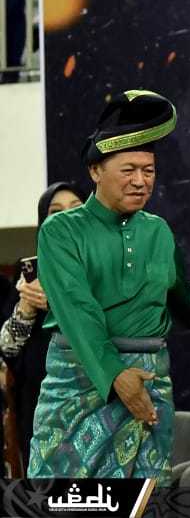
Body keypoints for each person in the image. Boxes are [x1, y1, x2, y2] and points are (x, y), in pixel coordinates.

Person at [28, 90, 190, 484]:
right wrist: (117, 375)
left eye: (148, 171)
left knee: (146, 501)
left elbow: (189, 305)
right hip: (81, 384)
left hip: (150, 386)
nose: (140, 181)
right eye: (128, 169)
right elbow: (77, 311)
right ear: (95, 171)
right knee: (62, 499)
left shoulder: (157, 231)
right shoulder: (61, 231)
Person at [0, 182, 87, 474]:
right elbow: (7, 348)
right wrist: (26, 307)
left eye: (76, 209)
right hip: (40, 400)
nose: (66, 217)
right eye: (55, 212)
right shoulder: (29, 272)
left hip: (94, 395)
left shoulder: (108, 266)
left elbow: (112, 326)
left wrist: (56, 304)